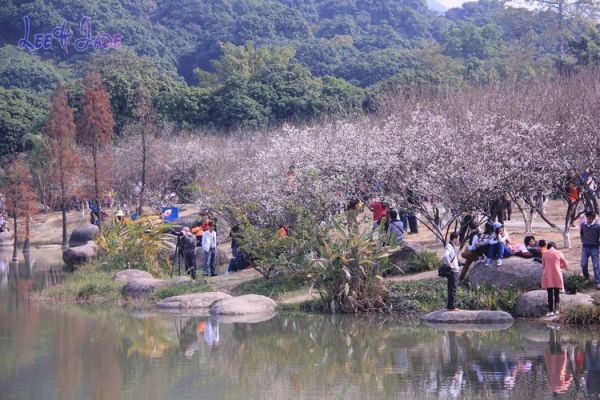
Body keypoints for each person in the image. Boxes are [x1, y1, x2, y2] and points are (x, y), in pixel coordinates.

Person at [542, 242, 569, 316]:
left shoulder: (545, 253)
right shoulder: (559, 252)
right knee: (557, 293)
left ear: (548, 247)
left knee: (549, 293)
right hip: (557, 274)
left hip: (548, 275)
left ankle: (550, 311)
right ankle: (557, 310)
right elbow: (566, 263)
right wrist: (560, 266)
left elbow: (543, 265)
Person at [581, 211, 600, 289]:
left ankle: (598, 282)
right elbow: (581, 234)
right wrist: (583, 240)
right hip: (585, 247)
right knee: (583, 264)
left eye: (591, 217)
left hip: (594, 247)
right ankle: (586, 277)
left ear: (593, 218)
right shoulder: (583, 225)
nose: (589, 219)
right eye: (588, 217)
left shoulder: (598, 226)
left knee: (596, 265)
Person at [444, 232, 460, 311]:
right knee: (452, 289)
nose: (458, 240)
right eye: (458, 239)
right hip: (452, 271)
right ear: (454, 239)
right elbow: (446, 255)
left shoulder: (452, 246)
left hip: (454, 271)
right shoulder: (449, 246)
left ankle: (451, 306)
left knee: (452, 288)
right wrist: (450, 265)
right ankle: (451, 307)